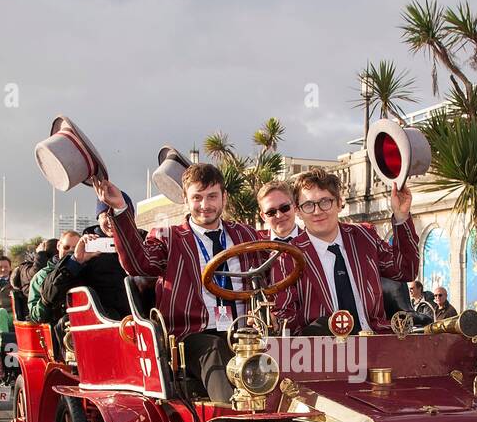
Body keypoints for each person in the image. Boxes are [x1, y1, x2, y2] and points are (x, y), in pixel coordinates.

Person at [101, 163, 269, 401]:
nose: (205, 205)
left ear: (224, 197)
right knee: (214, 349)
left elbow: (270, 276)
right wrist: (120, 209)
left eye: (212, 196)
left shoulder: (245, 235)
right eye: (197, 197)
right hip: (191, 335)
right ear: (186, 199)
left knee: (277, 350)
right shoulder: (169, 237)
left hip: (245, 332)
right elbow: (138, 265)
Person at [267, 166, 420, 336]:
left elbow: (407, 269)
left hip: (374, 342)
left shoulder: (364, 237)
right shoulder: (288, 257)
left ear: (340, 203)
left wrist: (401, 216)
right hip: (322, 351)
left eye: (325, 202)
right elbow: (287, 320)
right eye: (308, 205)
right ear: (298, 211)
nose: (317, 211)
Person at [37, 204, 132, 324]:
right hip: (101, 328)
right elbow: (50, 294)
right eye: (106, 215)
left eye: (117, 213)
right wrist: (76, 261)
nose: (111, 219)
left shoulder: (142, 244)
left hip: (139, 323)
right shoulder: (85, 251)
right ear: (98, 218)